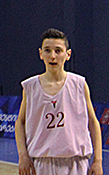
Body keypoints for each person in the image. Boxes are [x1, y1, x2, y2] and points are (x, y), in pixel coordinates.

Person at [15, 28, 102, 175]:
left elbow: (93, 122)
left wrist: (98, 160)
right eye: (47, 50)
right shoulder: (30, 86)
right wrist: (23, 155)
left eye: (58, 51)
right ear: (40, 54)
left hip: (76, 162)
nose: (53, 56)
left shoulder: (79, 84)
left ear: (68, 54)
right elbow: (20, 123)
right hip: (42, 162)